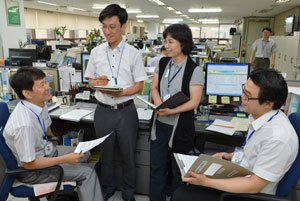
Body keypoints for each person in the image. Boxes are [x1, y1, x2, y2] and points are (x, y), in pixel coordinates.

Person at [173, 68, 299, 201]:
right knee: (188, 186)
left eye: (248, 95)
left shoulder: (277, 138)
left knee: (182, 195)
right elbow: (254, 151)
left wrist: (206, 182)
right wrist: (230, 156)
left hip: (250, 195)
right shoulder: (262, 117)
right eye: (243, 90)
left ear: (268, 103)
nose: (242, 97)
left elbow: (254, 185)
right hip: (242, 176)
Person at [3, 67, 104, 201]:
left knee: (86, 153)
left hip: (44, 150)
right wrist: (65, 159)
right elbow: (29, 164)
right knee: (88, 172)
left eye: (46, 82)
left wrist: (55, 146)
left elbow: (47, 128)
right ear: (27, 93)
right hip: (32, 171)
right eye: (42, 85)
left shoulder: (39, 103)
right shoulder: (24, 125)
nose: (48, 87)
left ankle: (77, 190)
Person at [84, 4, 147, 201]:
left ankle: (129, 194)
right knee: (106, 153)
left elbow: (139, 86)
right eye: (104, 27)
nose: (107, 32)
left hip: (125, 110)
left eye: (112, 26)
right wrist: (96, 83)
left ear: (123, 26)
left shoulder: (133, 53)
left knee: (129, 156)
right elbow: (90, 81)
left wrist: (121, 93)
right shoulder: (96, 52)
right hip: (103, 111)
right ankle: (107, 189)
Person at [150, 23, 204, 201]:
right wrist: (160, 106)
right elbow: (154, 88)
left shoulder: (194, 69)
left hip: (179, 127)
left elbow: (194, 102)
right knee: (156, 168)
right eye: (165, 41)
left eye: (171, 42)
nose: (166, 46)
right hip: (159, 126)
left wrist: (171, 110)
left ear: (183, 43)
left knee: (177, 171)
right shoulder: (163, 62)